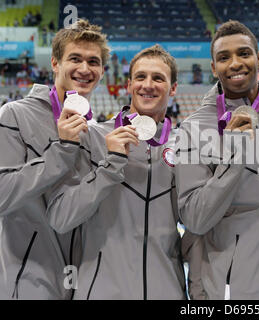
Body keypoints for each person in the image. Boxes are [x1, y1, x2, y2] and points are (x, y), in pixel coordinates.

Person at [175, 20, 259, 300]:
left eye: (244, 54)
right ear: (213, 67)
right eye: (224, 57)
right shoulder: (193, 128)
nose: (235, 63)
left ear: (258, 59)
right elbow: (195, 218)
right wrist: (236, 154)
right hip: (235, 292)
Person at [46, 44, 188, 299]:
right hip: (101, 290)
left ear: (173, 88)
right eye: (140, 77)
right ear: (128, 85)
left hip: (166, 290)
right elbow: (61, 218)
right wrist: (110, 165)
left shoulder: (184, 147)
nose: (148, 85)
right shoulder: (93, 136)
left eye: (158, 78)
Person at [0, 19, 109, 299]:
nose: (85, 69)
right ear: (55, 63)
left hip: (82, 281)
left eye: (93, 62)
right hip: (27, 277)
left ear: (102, 71)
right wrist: (61, 150)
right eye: (75, 58)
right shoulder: (15, 115)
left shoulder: (94, 132)